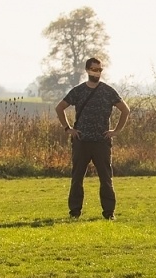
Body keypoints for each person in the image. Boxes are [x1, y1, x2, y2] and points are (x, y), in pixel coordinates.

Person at [54, 58, 129, 219]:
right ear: (87, 70)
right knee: (77, 178)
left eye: (100, 70)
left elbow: (125, 110)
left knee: (106, 179)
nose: (97, 73)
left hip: (102, 142)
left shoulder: (108, 91)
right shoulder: (78, 91)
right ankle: (75, 212)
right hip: (81, 141)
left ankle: (109, 213)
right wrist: (68, 129)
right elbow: (60, 108)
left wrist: (116, 131)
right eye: (94, 69)